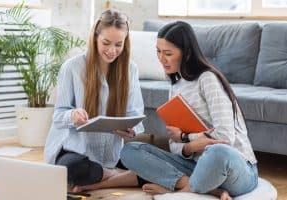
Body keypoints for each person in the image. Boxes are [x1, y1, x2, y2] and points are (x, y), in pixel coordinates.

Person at [120, 21, 258, 200]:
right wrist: (190, 147)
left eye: (168, 53)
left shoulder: (207, 79)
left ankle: (178, 192)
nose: (162, 59)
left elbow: (225, 137)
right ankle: (204, 190)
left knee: (216, 152)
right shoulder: (176, 86)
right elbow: (174, 145)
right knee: (130, 150)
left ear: (186, 53)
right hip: (196, 167)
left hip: (234, 168)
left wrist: (186, 138)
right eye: (158, 51)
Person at [44, 9, 146, 192]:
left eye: (118, 44)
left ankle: (101, 179)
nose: (112, 51)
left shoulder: (130, 69)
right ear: (95, 38)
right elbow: (58, 115)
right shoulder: (72, 67)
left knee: (153, 162)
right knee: (71, 169)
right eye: (106, 43)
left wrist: (131, 130)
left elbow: (135, 114)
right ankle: (117, 175)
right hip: (75, 149)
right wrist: (73, 115)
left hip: (112, 154)